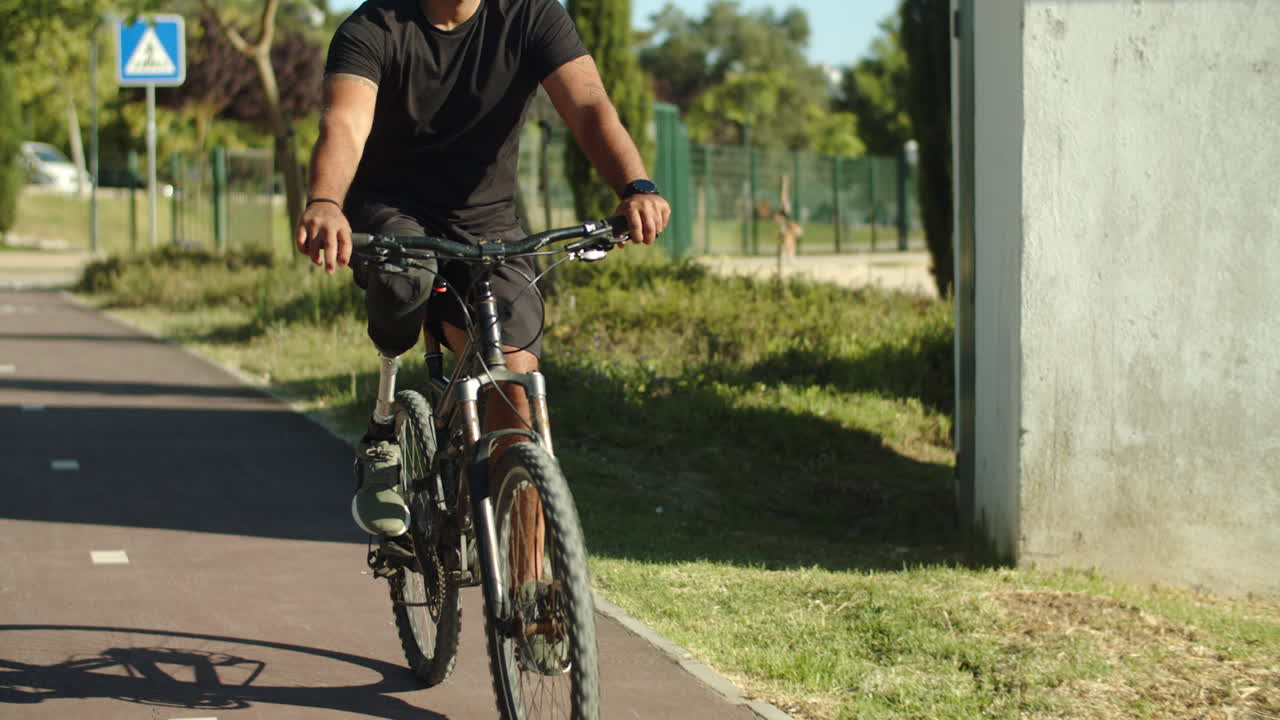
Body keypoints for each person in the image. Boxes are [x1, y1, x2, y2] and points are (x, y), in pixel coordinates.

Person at [294, 0, 670, 539]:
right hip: (391, 210)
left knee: (516, 381)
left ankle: (531, 592)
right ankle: (383, 428)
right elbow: (346, 123)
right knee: (406, 278)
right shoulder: (374, 26)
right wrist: (326, 201)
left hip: (487, 222)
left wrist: (635, 186)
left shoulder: (532, 15)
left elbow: (588, 106)